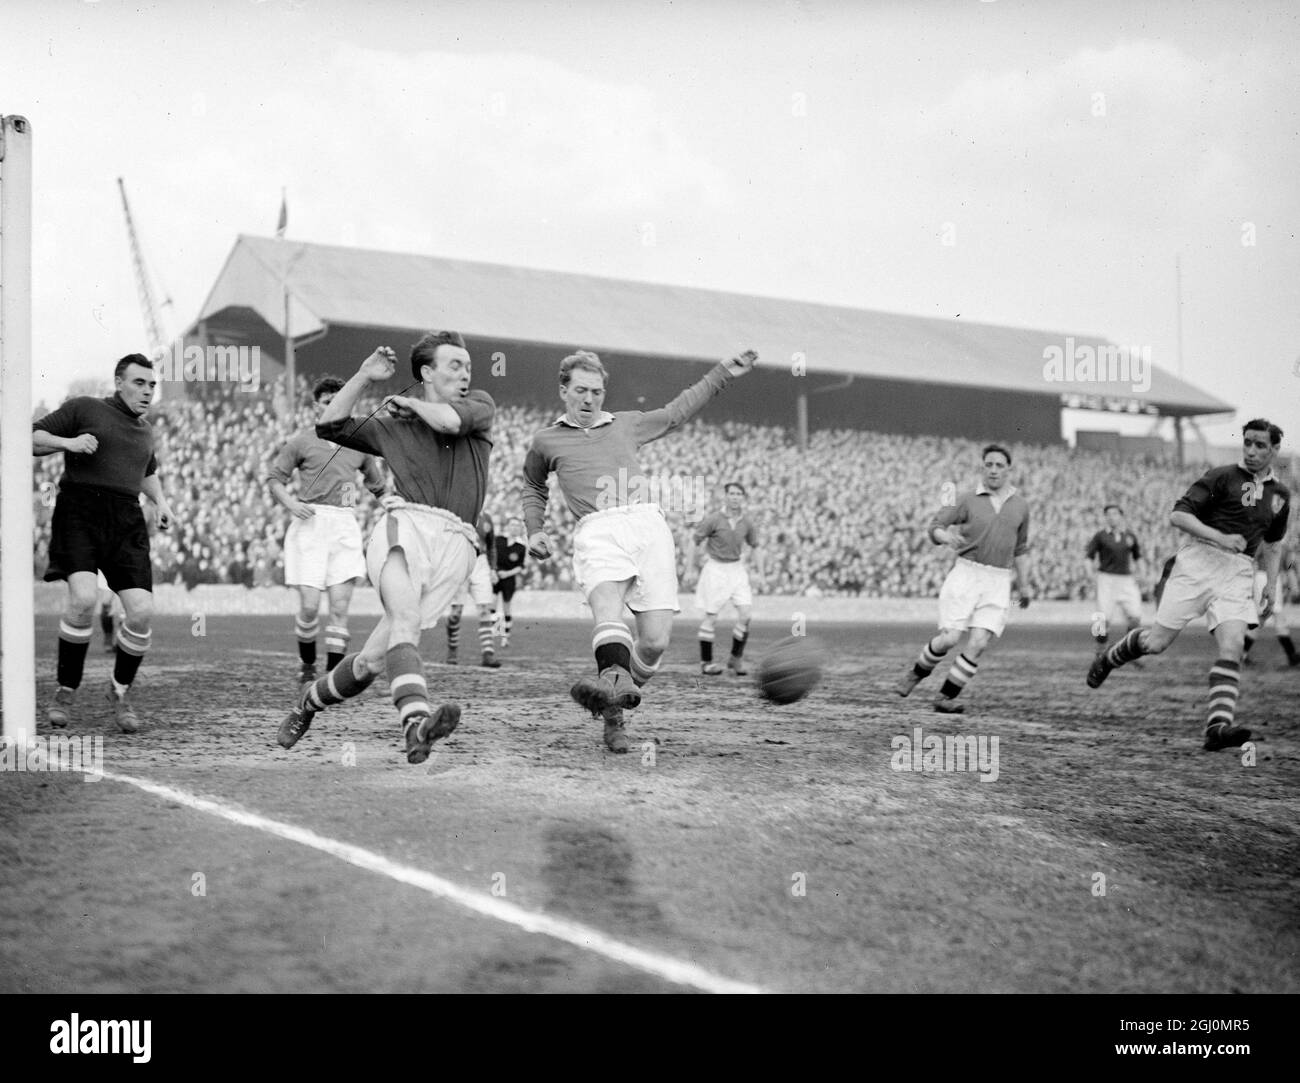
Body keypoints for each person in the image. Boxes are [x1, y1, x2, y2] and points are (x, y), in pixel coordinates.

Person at [522, 347, 758, 752]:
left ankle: (612, 704)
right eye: (580, 390)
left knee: (653, 643)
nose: (589, 399)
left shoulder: (627, 424)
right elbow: (533, 485)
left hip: (647, 526)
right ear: (563, 390)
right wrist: (534, 529)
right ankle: (614, 719)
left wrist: (722, 373)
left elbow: (677, 412)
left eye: (596, 391)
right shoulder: (546, 441)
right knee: (608, 613)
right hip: (596, 530)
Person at [276, 332, 494, 764]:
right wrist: (363, 376)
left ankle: (308, 702)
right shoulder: (394, 427)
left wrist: (411, 403)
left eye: (467, 367)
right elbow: (328, 426)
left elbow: (449, 422)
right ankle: (416, 723)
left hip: (458, 546)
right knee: (406, 620)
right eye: (454, 366)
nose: (465, 374)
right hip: (407, 526)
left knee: (371, 663)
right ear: (427, 372)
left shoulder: (479, 405)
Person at [1086, 419, 1291, 752]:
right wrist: (1219, 536)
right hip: (1198, 562)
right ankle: (1109, 658)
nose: (1252, 451)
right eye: (1248, 443)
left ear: (1274, 449)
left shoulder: (1280, 495)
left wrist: (1270, 584)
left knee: (1233, 646)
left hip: (1237, 572)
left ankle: (1217, 728)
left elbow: (1273, 543)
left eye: (1260, 445)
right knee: (1155, 642)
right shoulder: (1221, 476)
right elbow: (1178, 515)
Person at [32, 354, 174, 732]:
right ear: (119, 382)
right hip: (79, 509)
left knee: (141, 610)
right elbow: (31, 438)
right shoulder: (85, 408)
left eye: (151, 385)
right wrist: (71, 443)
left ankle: (119, 690)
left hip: (125, 517)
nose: (146, 391)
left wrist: (160, 502)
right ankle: (65, 689)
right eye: (139, 382)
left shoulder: (145, 431)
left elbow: (147, 471)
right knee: (82, 598)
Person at [266, 376, 387, 692]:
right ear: (316, 406)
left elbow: (378, 486)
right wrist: (292, 503)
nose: (333, 406)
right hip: (312, 522)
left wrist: (396, 504)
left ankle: (332, 681)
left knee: (339, 608)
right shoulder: (302, 441)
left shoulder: (359, 444)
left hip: (345, 524)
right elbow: (275, 478)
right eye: (326, 402)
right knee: (308, 606)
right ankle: (307, 668)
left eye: (339, 400)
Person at [895, 443, 1031, 713]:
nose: (993, 470)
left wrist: (1025, 585)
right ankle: (916, 673)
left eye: (999, 465)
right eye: (988, 465)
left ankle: (945, 697)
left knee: (979, 643)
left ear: (1009, 470)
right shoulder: (966, 499)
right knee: (949, 638)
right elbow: (935, 527)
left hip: (999, 580)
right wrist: (946, 537)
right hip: (967, 573)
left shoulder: (1020, 506)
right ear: (982, 468)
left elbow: (1021, 548)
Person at [692, 482, 762, 676]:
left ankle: (735, 659)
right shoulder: (713, 519)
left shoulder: (746, 522)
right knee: (711, 618)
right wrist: (691, 567)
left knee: (746, 614)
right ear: (725, 496)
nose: (735, 497)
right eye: (732, 493)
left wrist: (761, 573)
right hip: (716, 570)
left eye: (739, 494)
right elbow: (696, 541)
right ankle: (706, 662)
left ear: (743, 498)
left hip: (737, 569)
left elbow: (755, 546)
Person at [1085, 504, 1144, 659]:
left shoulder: (1130, 536)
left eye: (1115, 514)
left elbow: (1138, 557)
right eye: (1108, 514)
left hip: (1126, 579)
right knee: (1101, 619)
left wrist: (1142, 574)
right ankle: (1100, 650)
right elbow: (1089, 557)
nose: (1112, 517)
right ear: (1105, 517)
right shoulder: (1100, 536)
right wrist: (1090, 574)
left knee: (1135, 617)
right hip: (1106, 579)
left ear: (1121, 516)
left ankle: (1128, 651)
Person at [444, 511, 501, 667]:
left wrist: (493, 568)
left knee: (484, 609)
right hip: (460, 561)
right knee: (455, 613)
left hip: (481, 563)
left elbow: (491, 545)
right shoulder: (457, 513)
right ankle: (452, 649)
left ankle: (488, 654)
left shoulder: (487, 518)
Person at [491, 516, 528, 647]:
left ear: (520, 529)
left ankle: (505, 637)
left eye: (517, 526)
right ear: (508, 526)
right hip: (495, 577)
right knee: (492, 605)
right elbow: (491, 556)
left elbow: (520, 566)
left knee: (506, 608)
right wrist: (494, 571)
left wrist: (507, 573)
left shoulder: (521, 547)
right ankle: (497, 632)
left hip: (509, 579)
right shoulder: (498, 540)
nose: (514, 528)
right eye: (512, 525)